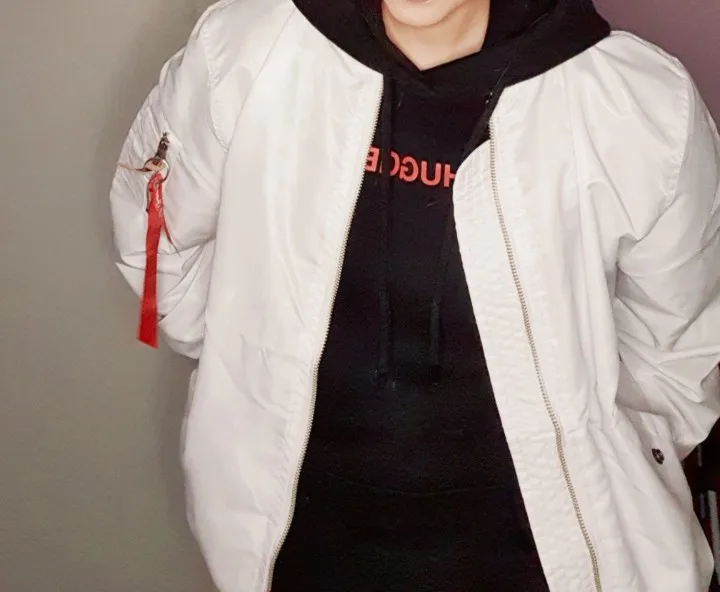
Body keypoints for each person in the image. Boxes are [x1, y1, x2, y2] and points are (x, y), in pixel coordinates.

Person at [109, 0, 720, 590]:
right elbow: (158, 244)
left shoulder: (642, 102)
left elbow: (680, 346)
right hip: (302, 549)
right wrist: (251, 370)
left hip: (551, 561)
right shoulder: (241, 48)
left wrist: (600, 455)